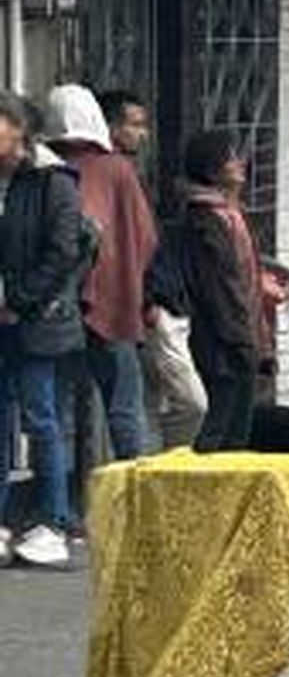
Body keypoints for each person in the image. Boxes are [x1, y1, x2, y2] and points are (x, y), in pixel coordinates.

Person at [45, 84, 157, 460]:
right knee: (124, 410)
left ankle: (60, 506)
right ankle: (133, 504)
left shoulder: (46, 170)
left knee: (56, 413)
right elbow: (144, 239)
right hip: (115, 305)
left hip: (55, 310)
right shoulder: (118, 170)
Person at [0, 91, 85, 568]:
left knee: (40, 415)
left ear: (18, 129)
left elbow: (62, 251)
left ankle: (52, 520)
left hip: (39, 319)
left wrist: (19, 300)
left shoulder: (53, 180)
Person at [99, 90, 210, 450]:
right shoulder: (112, 173)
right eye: (134, 125)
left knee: (146, 401)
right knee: (186, 400)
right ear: (111, 127)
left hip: (155, 300)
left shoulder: (130, 173)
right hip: (138, 303)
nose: (143, 134)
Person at [179, 130, 264, 453]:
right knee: (220, 430)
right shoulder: (206, 220)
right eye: (231, 159)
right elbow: (219, 287)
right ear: (213, 171)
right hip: (223, 342)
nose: (240, 164)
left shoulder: (230, 215)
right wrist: (241, 339)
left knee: (236, 432)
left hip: (238, 336)